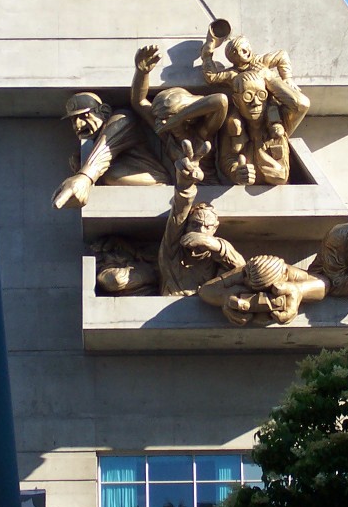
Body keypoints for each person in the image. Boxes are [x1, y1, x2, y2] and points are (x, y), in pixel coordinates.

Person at [199, 21, 310, 185]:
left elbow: (301, 104)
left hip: (272, 114)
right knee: (235, 125)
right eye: (248, 96)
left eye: (261, 95)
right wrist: (207, 53)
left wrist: (277, 78)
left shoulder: (261, 63)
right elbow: (226, 159)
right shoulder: (232, 120)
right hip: (239, 127)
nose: (256, 102)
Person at [51, 91, 169, 209]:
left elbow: (105, 148)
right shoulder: (94, 140)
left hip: (154, 178)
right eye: (73, 120)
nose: (78, 125)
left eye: (84, 116)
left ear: (104, 111)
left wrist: (84, 177)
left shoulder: (121, 119)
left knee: (109, 174)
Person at [130, 44, 228, 184]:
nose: (163, 122)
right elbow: (138, 102)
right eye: (160, 118)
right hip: (180, 187)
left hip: (208, 188)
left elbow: (221, 101)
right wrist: (142, 73)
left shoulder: (202, 133)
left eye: (168, 118)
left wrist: (178, 118)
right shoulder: (166, 134)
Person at [158, 139, 244, 296]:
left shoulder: (216, 257)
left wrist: (214, 245)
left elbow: (243, 271)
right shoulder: (174, 250)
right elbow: (179, 213)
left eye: (207, 227)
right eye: (195, 225)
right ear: (186, 226)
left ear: (215, 228)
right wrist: (185, 184)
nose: (201, 231)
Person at [198, 254, 327, 326]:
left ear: (284, 275)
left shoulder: (287, 271)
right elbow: (205, 290)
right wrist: (225, 297)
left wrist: (298, 291)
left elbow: (324, 283)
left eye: (270, 291)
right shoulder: (243, 273)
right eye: (255, 290)